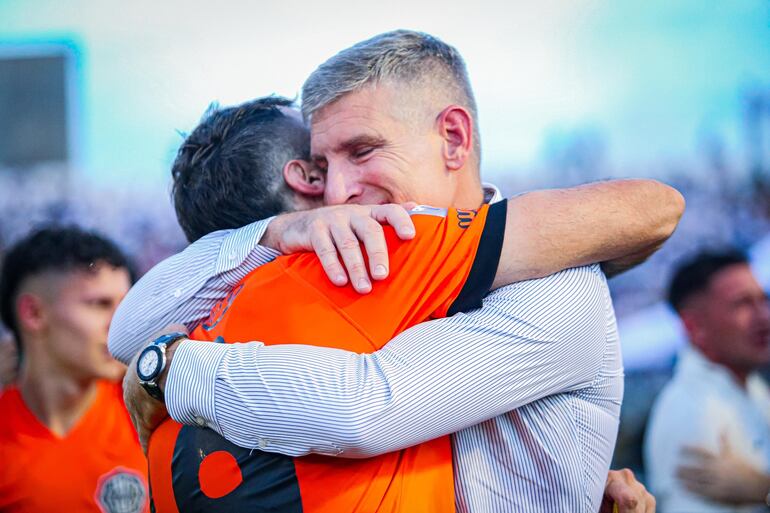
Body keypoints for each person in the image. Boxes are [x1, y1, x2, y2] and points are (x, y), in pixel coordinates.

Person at [112, 31, 683, 512]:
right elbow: (127, 332)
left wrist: (171, 370)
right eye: (322, 164)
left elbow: (368, 410)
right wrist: (273, 232)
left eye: (361, 152)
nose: (337, 190)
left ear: (453, 139)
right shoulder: (364, 260)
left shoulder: (552, 283)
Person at [0, 227, 149, 513]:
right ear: (33, 313)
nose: (122, 325)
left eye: (126, 306)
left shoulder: (148, 414)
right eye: (100, 304)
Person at [644, 250, 770, 513]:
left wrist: (762, 489)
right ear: (695, 327)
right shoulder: (690, 408)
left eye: (763, 300)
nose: (764, 317)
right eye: (742, 304)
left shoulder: (754, 388)